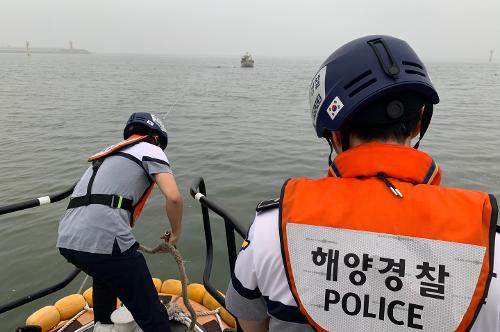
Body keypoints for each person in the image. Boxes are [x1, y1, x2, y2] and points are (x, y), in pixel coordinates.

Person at [225, 35, 499, 331]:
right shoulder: (490, 245)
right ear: (419, 123)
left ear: (336, 135)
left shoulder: (271, 230)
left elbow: (251, 324)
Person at [57, 112, 183, 332]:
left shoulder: (109, 154)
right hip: (104, 240)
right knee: (150, 310)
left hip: (67, 239)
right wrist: (175, 234)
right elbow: (173, 197)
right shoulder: (151, 149)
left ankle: (103, 327)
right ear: (156, 138)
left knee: (105, 275)